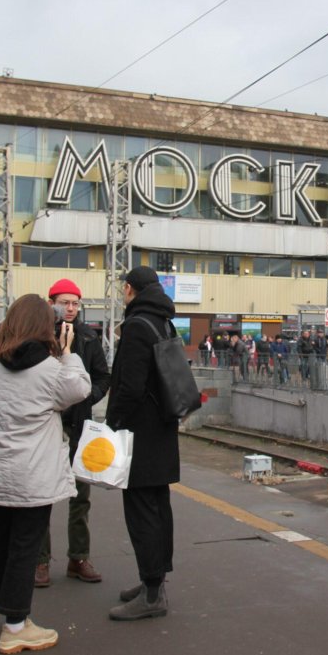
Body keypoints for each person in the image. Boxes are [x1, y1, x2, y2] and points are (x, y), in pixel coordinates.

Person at [0, 294, 91, 655]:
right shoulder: (51, 369)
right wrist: (68, 351)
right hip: (32, 477)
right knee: (24, 548)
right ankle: (17, 626)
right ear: (45, 327)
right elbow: (81, 388)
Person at [106, 266, 181, 621]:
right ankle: (154, 582)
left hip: (140, 435)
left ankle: (152, 593)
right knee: (158, 508)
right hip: (163, 430)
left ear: (129, 289)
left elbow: (130, 387)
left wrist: (112, 423)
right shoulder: (163, 321)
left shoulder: (136, 326)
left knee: (141, 513)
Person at [35, 278, 112, 588]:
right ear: (50, 301)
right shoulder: (38, 335)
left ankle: (78, 557)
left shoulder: (88, 337)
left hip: (80, 425)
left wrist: (85, 396)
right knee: (40, 495)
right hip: (45, 425)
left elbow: (103, 377)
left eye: (75, 303)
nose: (69, 308)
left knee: (81, 496)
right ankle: (40, 561)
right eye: (64, 302)